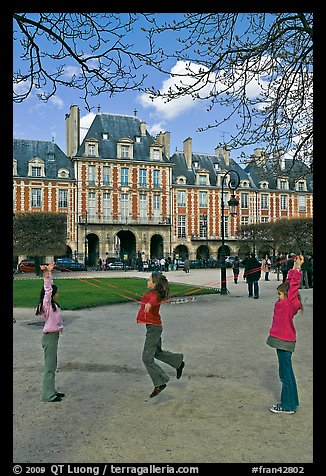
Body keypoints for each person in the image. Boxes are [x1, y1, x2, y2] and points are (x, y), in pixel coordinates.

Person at [136, 271, 185, 398]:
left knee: (147, 358)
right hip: (154, 327)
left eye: (149, 280)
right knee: (157, 353)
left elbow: (153, 300)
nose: (147, 282)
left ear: (154, 283)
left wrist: (148, 304)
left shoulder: (155, 295)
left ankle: (160, 381)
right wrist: (145, 303)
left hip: (154, 329)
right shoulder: (153, 293)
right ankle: (178, 362)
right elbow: (150, 299)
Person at [266, 255, 304, 414]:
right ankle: (292, 401)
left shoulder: (288, 303)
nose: (278, 298)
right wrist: (293, 266)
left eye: (279, 295)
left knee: (284, 374)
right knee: (287, 372)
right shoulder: (288, 301)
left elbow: (293, 285)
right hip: (283, 340)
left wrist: (298, 269)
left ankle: (287, 405)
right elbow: (289, 285)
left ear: (287, 296)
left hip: (283, 341)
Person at [36, 262, 64, 403]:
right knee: (49, 368)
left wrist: (50, 272)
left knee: (52, 366)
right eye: (56, 292)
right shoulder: (47, 305)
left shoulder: (53, 306)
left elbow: (50, 288)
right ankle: (47, 395)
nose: (58, 294)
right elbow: (48, 289)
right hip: (50, 338)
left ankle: (51, 390)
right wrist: (47, 274)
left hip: (53, 338)